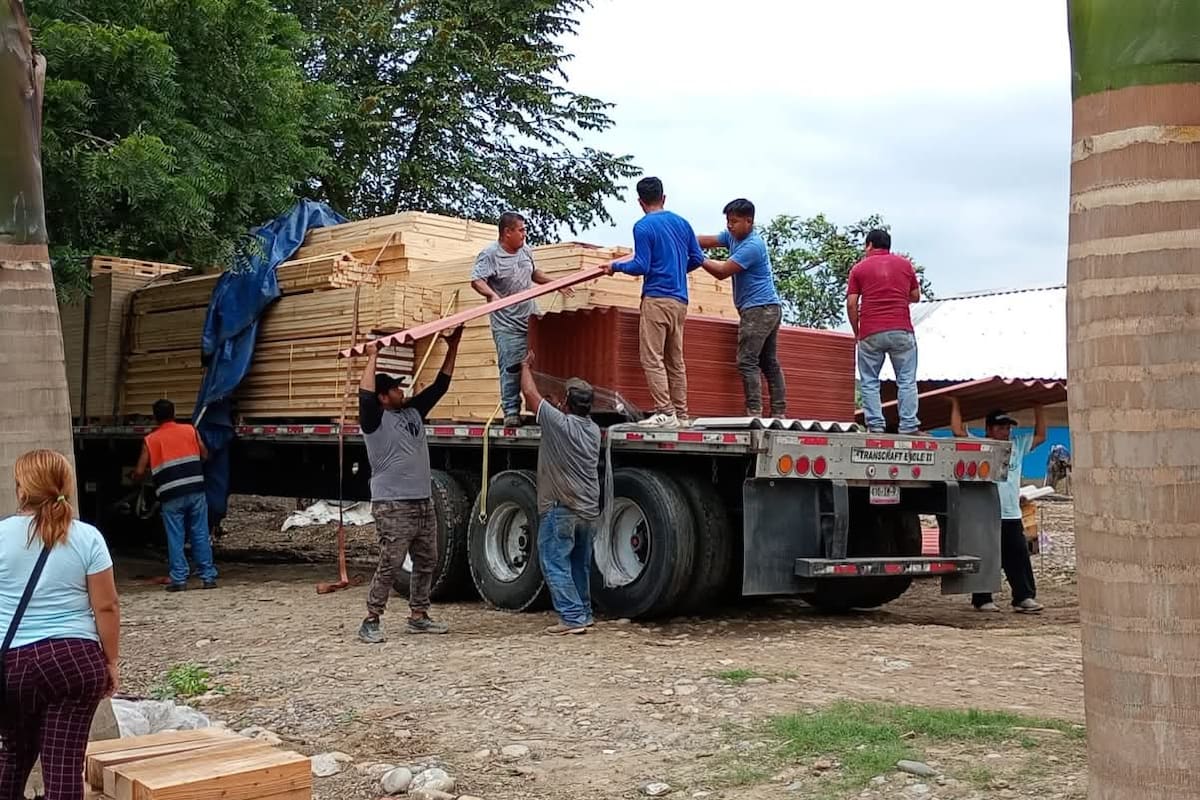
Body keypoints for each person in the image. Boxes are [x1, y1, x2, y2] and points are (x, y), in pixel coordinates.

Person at [0, 450, 120, 800]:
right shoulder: (88, 538)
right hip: (75, 661)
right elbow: (107, 606)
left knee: (14, 755)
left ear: (22, 490)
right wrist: (111, 662)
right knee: (64, 767)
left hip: (13, 666)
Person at [357, 326, 464, 644]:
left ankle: (419, 614)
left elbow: (441, 386)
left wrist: (453, 347)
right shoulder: (374, 420)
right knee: (391, 560)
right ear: (383, 397)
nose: (402, 392)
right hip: (393, 503)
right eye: (395, 390)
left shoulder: (414, 411)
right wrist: (372, 357)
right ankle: (371, 619)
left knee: (427, 559)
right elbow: (364, 395)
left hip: (421, 501)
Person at [601, 177, 705, 428]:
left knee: (652, 357)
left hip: (656, 298)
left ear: (640, 201)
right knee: (675, 359)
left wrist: (614, 266)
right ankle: (681, 415)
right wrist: (678, 269)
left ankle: (664, 412)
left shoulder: (643, 227)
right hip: (679, 301)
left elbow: (641, 265)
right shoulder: (682, 223)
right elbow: (698, 258)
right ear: (664, 197)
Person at [518, 353, 601, 635]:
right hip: (587, 509)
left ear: (566, 402)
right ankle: (584, 613)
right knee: (579, 563)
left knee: (554, 560)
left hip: (561, 506)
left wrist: (524, 367)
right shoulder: (593, 430)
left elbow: (529, 393)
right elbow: (561, 418)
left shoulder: (559, 424)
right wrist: (557, 407)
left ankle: (572, 618)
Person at [470, 211, 570, 428]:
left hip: (530, 318)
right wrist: (492, 295)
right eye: (521, 230)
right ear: (507, 232)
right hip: (507, 323)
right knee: (512, 367)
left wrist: (556, 283)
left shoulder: (525, 250)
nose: (525, 234)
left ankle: (544, 408)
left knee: (540, 361)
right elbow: (477, 280)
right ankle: (512, 411)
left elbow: (534, 274)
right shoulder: (490, 255)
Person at [950, 401, 1047, 613]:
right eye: (1001, 427)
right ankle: (982, 598)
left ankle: (1023, 597)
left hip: (1011, 513)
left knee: (1018, 555)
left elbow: (1041, 436)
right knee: (987, 554)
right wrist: (957, 402)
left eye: (1007, 427)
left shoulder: (1017, 445)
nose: (1006, 431)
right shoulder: (982, 445)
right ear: (989, 429)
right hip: (988, 513)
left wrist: (1038, 407)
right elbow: (958, 431)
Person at [697, 198, 787, 417]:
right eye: (728, 221)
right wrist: (681, 238)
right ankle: (779, 412)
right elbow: (705, 240)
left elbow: (721, 271)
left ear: (749, 221)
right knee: (768, 361)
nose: (730, 225)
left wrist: (695, 256)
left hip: (759, 309)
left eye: (734, 221)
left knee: (747, 361)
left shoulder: (752, 246)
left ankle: (754, 412)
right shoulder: (732, 236)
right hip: (767, 308)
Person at [132, 399, 218, 591]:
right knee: (200, 533)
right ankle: (208, 577)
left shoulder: (151, 440)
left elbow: (139, 471)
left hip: (171, 496)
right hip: (195, 491)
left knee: (175, 536)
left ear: (155, 417)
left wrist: (136, 477)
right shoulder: (190, 430)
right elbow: (205, 454)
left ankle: (179, 580)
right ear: (174, 413)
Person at [846, 229, 921, 434]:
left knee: (869, 381)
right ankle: (908, 425)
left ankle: (876, 426)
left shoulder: (859, 269)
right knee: (906, 380)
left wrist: (857, 331)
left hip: (871, 332)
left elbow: (852, 304)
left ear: (869, 245)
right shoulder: (905, 265)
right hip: (901, 330)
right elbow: (915, 296)